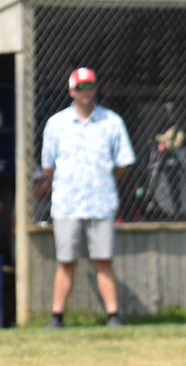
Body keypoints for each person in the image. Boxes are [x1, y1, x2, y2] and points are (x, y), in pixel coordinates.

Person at [39, 67, 135, 327]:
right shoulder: (56, 124)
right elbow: (47, 166)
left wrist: (105, 182)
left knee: (103, 260)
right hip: (66, 205)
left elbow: (123, 163)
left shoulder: (112, 122)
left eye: (89, 86)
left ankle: (113, 315)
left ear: (95, 88)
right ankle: (57, 316)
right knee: (66, 261)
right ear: (71, 91)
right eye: (80, 87)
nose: (85, 92)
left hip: (100, 203)